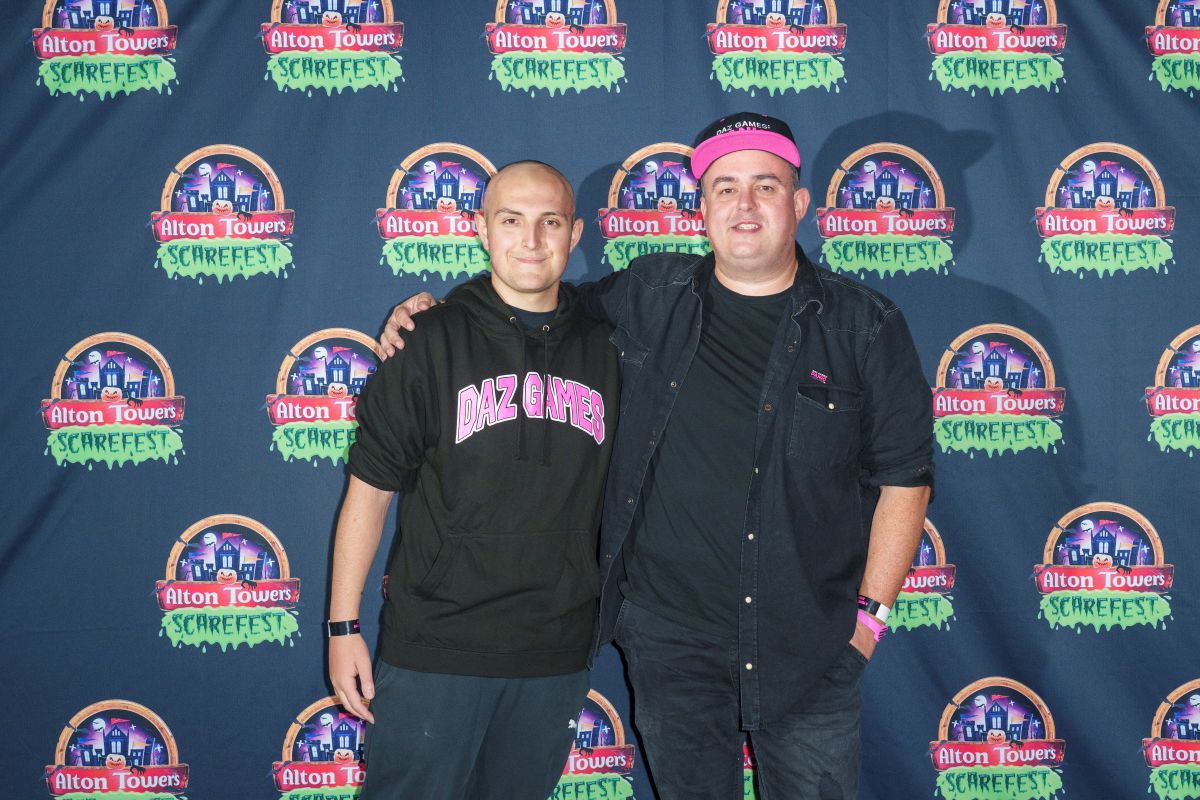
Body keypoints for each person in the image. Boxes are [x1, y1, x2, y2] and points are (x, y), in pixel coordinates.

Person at [380, 113, 933, 799]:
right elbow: (528, 304)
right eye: (725, 187)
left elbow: (906, 480)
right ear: (702, 207)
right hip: (672, 640)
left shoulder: (865, 325)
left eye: (766, 185)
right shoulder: (649, 293)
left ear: (799, 204)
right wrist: (434, 314)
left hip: (808, 643)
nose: (745, 204)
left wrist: (867, 622)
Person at [328, 161, 620, 799]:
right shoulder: (426, 342)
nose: (532, 240)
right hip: (436, 645)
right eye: (511, 221)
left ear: (575, 234)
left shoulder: (612, 347)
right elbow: (370, 493)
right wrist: (342, 626)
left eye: (551, 223)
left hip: (554, 648)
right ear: (482, 231)